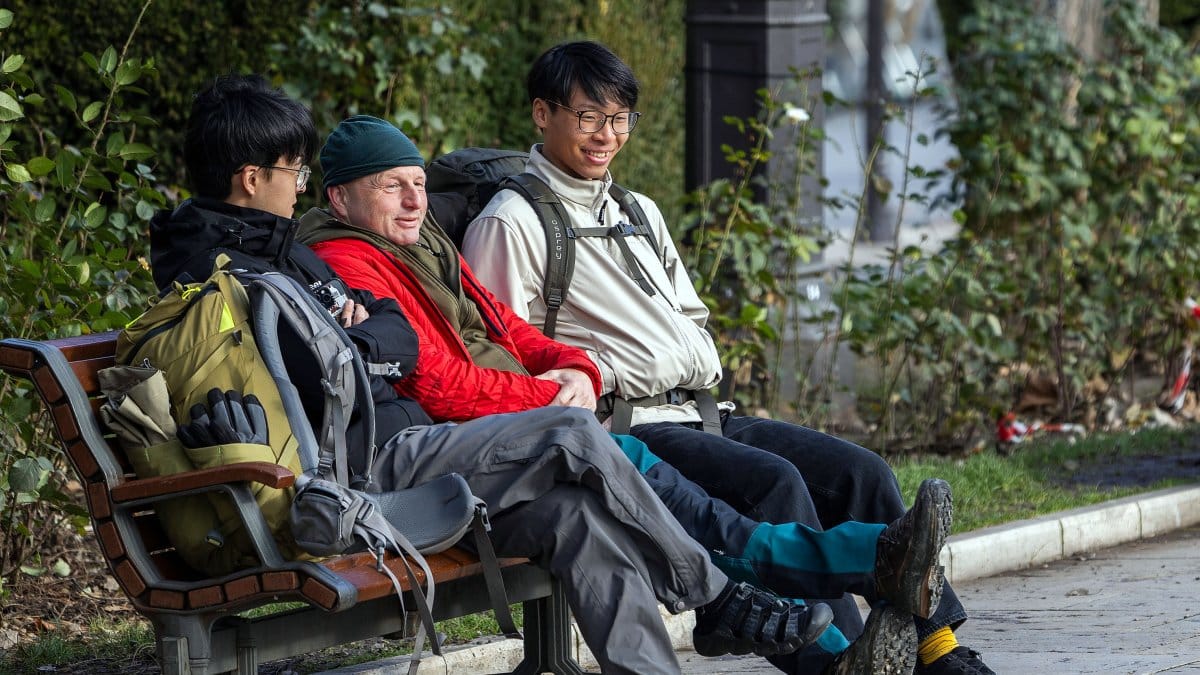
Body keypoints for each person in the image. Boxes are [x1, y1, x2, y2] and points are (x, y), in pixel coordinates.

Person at [147, 73, 834, 675]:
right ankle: (716, 595)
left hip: (409, 445)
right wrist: (364, 334)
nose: (298, 187)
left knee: (575, 515)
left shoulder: (282, 254)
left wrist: (369, 333)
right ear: (250, 178)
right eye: (291, 171)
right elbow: (348, 362)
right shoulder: (226, 279)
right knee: (568, 431)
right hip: (365, 473)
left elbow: (391, 336)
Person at [298, 113, 955, 673]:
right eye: (393, 187)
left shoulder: (428, 248)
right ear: (339, 196)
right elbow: (437, 381)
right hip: (468, 449)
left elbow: (511, 328)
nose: (415, 200)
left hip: (543, 429)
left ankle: (922, 639)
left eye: (418, 183)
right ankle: (819, 573)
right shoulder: (352, 260)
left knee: (592, 517)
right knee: (628, 457)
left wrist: (576, 369)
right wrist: (551, 401)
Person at [460, 41, 996, 675]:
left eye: (621, 118)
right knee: (774, 484)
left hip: (703, 409)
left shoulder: (637, 211)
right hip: (627, 426)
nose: (608, 135)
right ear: (542, 114)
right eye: (589, 118)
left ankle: (939, 654)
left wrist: (683, 361)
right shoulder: (511, 221)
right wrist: (604, 369)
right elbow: (502, 352)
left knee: (863, 473)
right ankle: (841, 663)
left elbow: (690, 317)